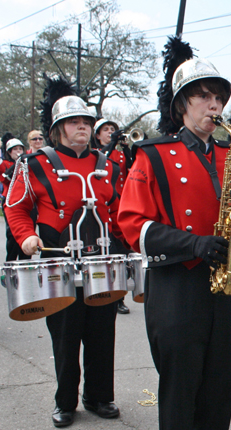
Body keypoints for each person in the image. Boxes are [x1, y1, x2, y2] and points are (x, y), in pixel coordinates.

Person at [118, 37, 231, 430]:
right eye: (203, 96)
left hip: (225, 286)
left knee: (219, 387)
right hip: (178, 284)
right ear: (182, 104)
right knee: (181, 390)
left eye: (219, 97)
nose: (214, 106)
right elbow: (133, 224)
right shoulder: (153, 154)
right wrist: (192, 243)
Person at [4, 76, 121, 429]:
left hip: (101, 260)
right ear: (58, 129)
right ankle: (65, 401)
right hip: (58, 262)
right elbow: (16, 207)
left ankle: (99, 396)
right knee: (66, 335)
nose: (82, 127)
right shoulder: (35, 163)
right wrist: (26, 237)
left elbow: (119, 211)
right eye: (74, 122)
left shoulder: (109, 165)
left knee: (102, 331)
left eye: (86, 121)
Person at [93, 118, 132, 314]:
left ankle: (120, 296)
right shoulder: (97, 153)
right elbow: (101, 162)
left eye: (112, 129)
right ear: (97, 135)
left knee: (124, 253)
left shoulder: (120, 153)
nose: (109, 132)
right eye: (106, 129)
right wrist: (112, 142)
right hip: (109, 205)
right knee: (112, 253)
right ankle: (112, 296)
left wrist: (127, 149)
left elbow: (132, 168)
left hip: (125, 203)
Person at [0, 136, 30, 261]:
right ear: (9, 152)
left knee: (28, 232)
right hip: (11, 199)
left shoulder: (27, 162)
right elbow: (3, 177)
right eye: (15, 149)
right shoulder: (7, 163)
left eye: (20, 149)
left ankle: (26, 263)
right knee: (12, 234)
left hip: (26, 199)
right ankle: (11, 262)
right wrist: (16, 165)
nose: (18, 151)